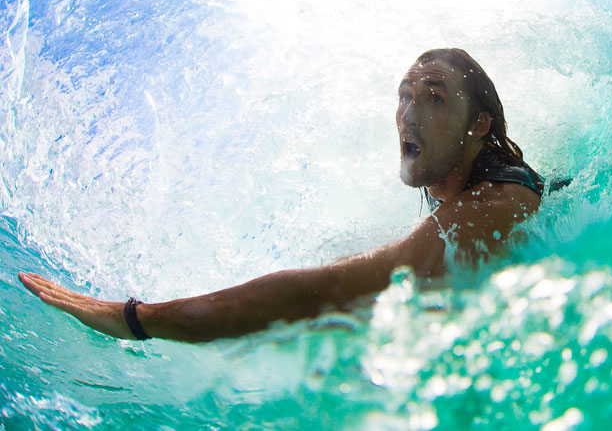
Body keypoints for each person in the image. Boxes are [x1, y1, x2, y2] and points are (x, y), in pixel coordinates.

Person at [18, 48, 545, 343]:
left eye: (433, 98)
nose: (407, 114)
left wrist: (138, 318)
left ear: (479, 125)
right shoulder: (451, 179)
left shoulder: (494, 204)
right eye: (404, 96)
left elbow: (327, 290)